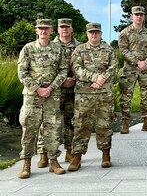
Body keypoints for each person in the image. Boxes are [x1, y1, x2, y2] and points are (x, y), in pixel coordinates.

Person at [17, 19, 68, 179]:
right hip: (33, 96)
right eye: (41, 29)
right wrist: (38, 89)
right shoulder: (28, 49)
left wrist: (51, 88)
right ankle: (26, 164)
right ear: (36, 31)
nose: (44, 31)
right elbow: (22, 73)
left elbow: (63, 70)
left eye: (46, 29)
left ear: (51, 30)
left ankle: (53, 161)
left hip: (52, 96)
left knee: (52, 130)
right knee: (29, 130)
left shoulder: (58, 49)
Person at [68, 23, 118, 171]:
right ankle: (77, 157)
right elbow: (76, 69)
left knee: (105, 124)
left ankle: (105, 154)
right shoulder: (79, 50)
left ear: (101, 33)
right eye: (91, 32)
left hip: (104, 94)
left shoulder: (109, 49)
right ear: (87, 34)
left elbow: (114, 66)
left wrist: (103, 79)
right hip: (85, 94)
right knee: (81, 125)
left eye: (96, 32)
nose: (94, 35)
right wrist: (95, 77)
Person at [36, 18, 80, 167]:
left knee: (71, 121)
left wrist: (73, 78)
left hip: (73, 89)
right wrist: (60, 81)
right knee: (47, 122)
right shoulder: (51, 45)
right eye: (62, 27)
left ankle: (69, 150)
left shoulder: (79, 46)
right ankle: (43, 154)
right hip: (54, 90)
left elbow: (84, 65)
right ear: (57, 29)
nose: (65, 29)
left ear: (72, 29)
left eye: (67, 27)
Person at [118, 6, 147, 133]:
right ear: (132, 16)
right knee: (126, 96)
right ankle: (125, 123)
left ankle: (146, 122)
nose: (139, 17)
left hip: (145, 69)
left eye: (141, 14)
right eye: (136, 14)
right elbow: (123, 50)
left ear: (144, 16)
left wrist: (146, 62)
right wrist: (136, 62)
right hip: (130, 68)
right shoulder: (125, 33)